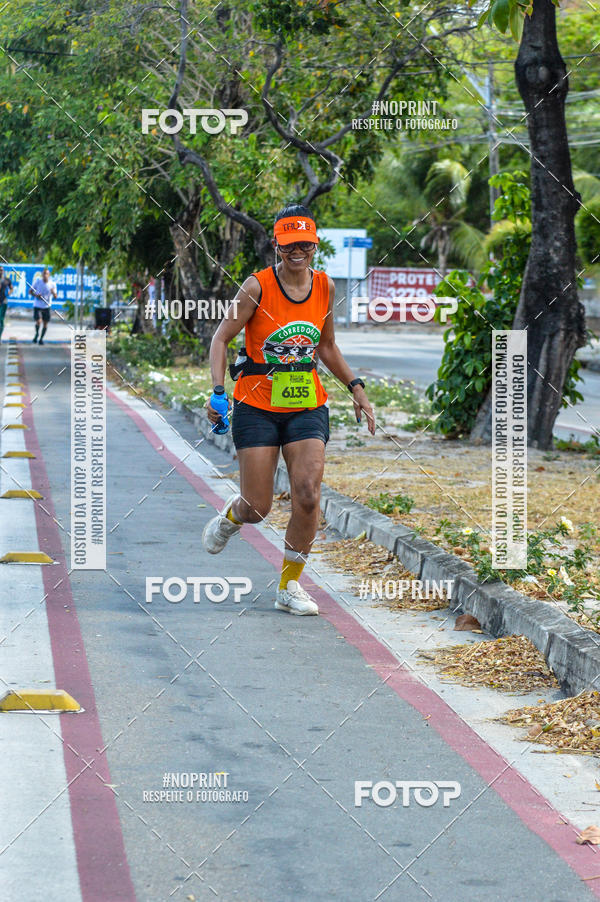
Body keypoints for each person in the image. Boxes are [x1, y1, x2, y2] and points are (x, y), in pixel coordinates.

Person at [202, 203, 375, 616]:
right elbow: (221, 338)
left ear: (314, 246)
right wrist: (216, 391)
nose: (296, 251)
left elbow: (326, 346)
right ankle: (232, 514)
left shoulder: (326, 287)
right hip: (256, 403)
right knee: (258, 508)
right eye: (288, 245)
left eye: (304, 244)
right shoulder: (256, 287)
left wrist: (356, 387)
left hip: (305, 404)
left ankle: (289, 584)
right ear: (277, 246)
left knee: (308, 495)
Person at [30, 267, 57, 345]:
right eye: (44, 274)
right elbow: (30, 291)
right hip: (37, 305)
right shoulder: (38, 282)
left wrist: (53, 292)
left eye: (47, 274)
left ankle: (41, 338)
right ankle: (37, 334)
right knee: (38, 321)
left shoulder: (52, 284)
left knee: (45, 323)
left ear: (49, 275)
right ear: (42, 275)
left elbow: (55, 296)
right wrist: (36, 295)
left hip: (46, 306)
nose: (45, 275)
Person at [0, 266, 13, 341]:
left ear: (3, 271)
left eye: (2, 270)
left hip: (3, 301)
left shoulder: (6, 280)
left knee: (1, 319)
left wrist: (8, 293)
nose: (0, 271)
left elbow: (11, 288)